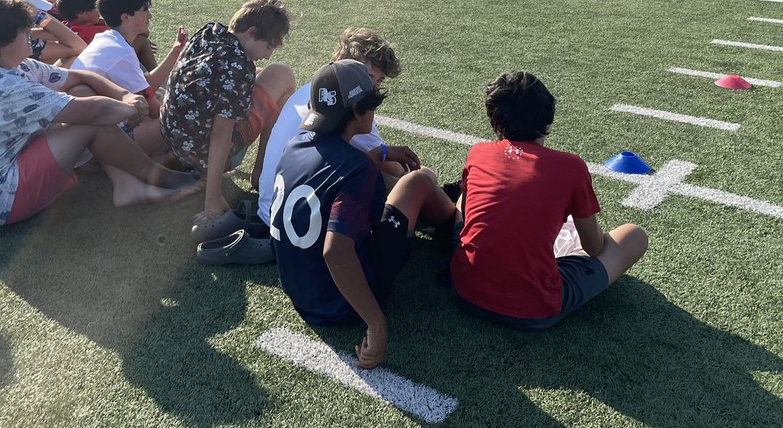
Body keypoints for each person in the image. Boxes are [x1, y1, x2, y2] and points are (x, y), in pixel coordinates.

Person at [0, 0, 195, 227]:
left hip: (0, 174)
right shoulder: (5, 88)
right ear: (1, 44)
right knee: (89, 119)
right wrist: (130, 108)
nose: (30, 35)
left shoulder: (8, 68)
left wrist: (124, 95)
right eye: (23, 31)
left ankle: (127, 185)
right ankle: (158, 176)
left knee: (82, 92)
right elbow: (94, 113)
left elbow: (78, 76)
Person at [271, 59, 455, 369]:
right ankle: (460, 229)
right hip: (339, 303)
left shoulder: (296, 145)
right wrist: (377, 325)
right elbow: (336, 250)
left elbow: (332, 169)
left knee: (409, 185)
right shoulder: (357, 171)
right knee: (419, 181)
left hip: (303, 293)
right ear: (357, 111)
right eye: (370, 105)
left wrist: (383, 153)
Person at [450, 71, 648, 329]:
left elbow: (466, 214)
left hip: (465, 290)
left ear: (495, 120)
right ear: (547, 121)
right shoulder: (570, 167)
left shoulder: (479, 153)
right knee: (633, 235)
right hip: (532, 307)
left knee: (466, 196)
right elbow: (594, 247)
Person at [158, 0, 295, 234]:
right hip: (202, 155)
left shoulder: (209, 32)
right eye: (268, 47)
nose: (268, 54)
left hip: (176, 142)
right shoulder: (238, 66)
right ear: (252, 32)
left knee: (264, 72)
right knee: (282, 74)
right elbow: (221, 135)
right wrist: (213, 198)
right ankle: (261, 173)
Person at [257, 28, 419, 228]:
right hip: (296, 225)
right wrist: (415, 183)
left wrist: (384, 152)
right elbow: (388, 169)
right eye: (368, 77)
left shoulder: (311, 90)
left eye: (379, 81)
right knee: (413, 184)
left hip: (272, 209)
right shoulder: (353, 109)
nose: (372, 89)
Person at [71, 0, 186, 119]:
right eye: (145, 9)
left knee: (160, 93)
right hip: (99, 128)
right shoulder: (121, 52)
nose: (150, 16)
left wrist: (176, 51)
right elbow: (154, 111)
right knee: (179, 118)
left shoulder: (105, 39)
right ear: (126, 17)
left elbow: (144, 84)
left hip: (89, 118)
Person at [0, 0, 86, 66]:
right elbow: (78, 46)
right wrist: (40, 17)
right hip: (24, 81)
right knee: (74, 58)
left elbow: (58, 36)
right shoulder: (17, 40)